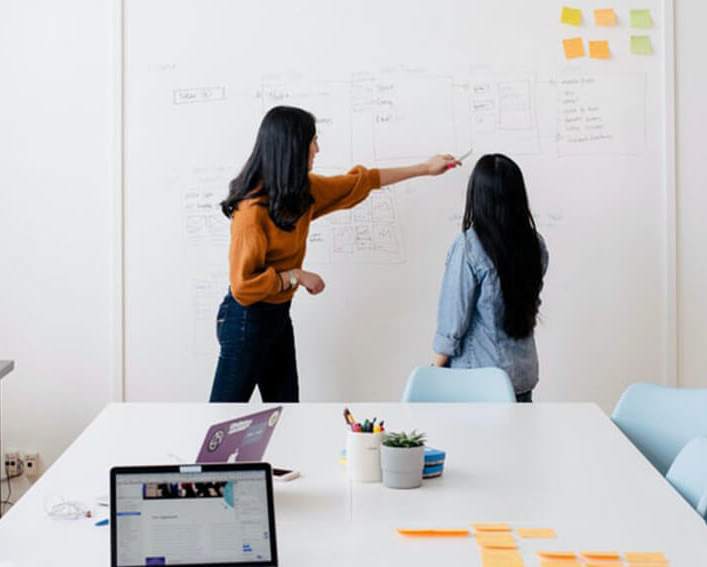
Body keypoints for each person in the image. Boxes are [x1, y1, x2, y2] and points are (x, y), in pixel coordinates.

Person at [211, 105, 460, 403]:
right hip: (244, 320)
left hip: (277, 317)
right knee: (224, 420)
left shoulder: (300, 193)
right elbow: (243, 287)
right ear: (292, 147)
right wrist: (295, 276)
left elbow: (361, 181)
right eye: (312, 141)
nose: (317, 149)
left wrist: (425, 168)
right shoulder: (251, 212)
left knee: (286, 413)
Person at [431, 154, 547, 402]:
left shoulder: (469, 247)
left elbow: (453, 322)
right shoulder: (535, 244)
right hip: (522, 376)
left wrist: (433, 371)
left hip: (478, 380)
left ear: (477, 195)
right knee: (516, 441)